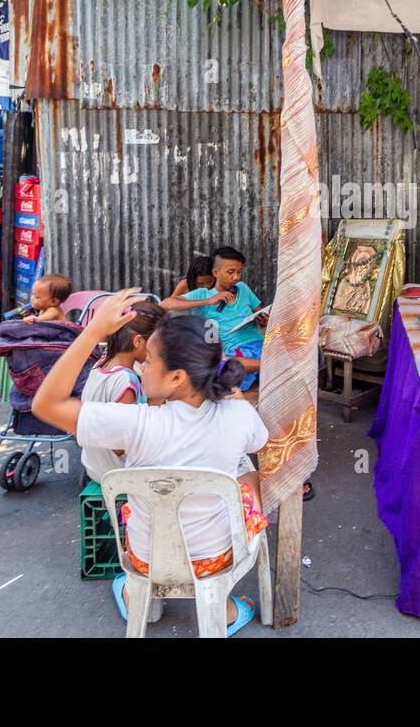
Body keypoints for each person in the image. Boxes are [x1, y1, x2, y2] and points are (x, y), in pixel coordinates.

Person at [33, 290, 269, 636]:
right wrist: (232, 401)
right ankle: (226, 607)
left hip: (147, 560)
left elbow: (46, 404)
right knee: (246, 470)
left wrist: (91, 333)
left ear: (176, 377)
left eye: (150, 360)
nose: (142, 365)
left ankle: (135, 594)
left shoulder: (136, 423)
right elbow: (257, 443)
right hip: (217, 558)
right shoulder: (240, 413)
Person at [160, 246, 268, 391]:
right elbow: (165, 304)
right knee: (222, 365)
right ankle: (266, 364)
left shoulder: (243, 288)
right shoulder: (203, 294)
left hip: (261, 344)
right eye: (230, 272)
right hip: (235, 353)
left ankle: (265, 364)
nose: (236, 277)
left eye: (239, 272)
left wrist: (264, 320)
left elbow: (261, 312)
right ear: (215, 272)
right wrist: (208, 301)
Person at [79, 299, 163, 484]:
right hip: (118, 475)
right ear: (139, 341)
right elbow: (120, 446)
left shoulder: (100, 364)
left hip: (93, 465)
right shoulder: (126, 381)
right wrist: (157, 400)